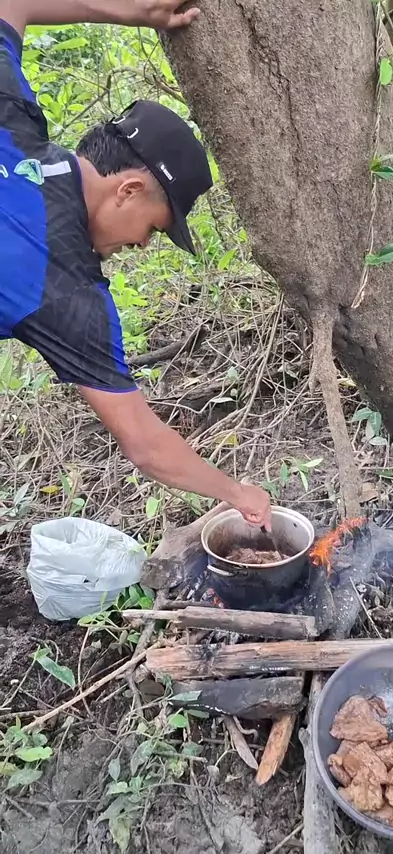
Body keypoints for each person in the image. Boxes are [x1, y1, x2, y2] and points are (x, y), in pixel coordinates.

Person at [0, 0, 272, 529]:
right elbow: (146, 446)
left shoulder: (12, 114)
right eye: (155, 226)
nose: (144, 245)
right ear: (128, 190)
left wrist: (134, 13)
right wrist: (237, 492)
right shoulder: (67, 290)